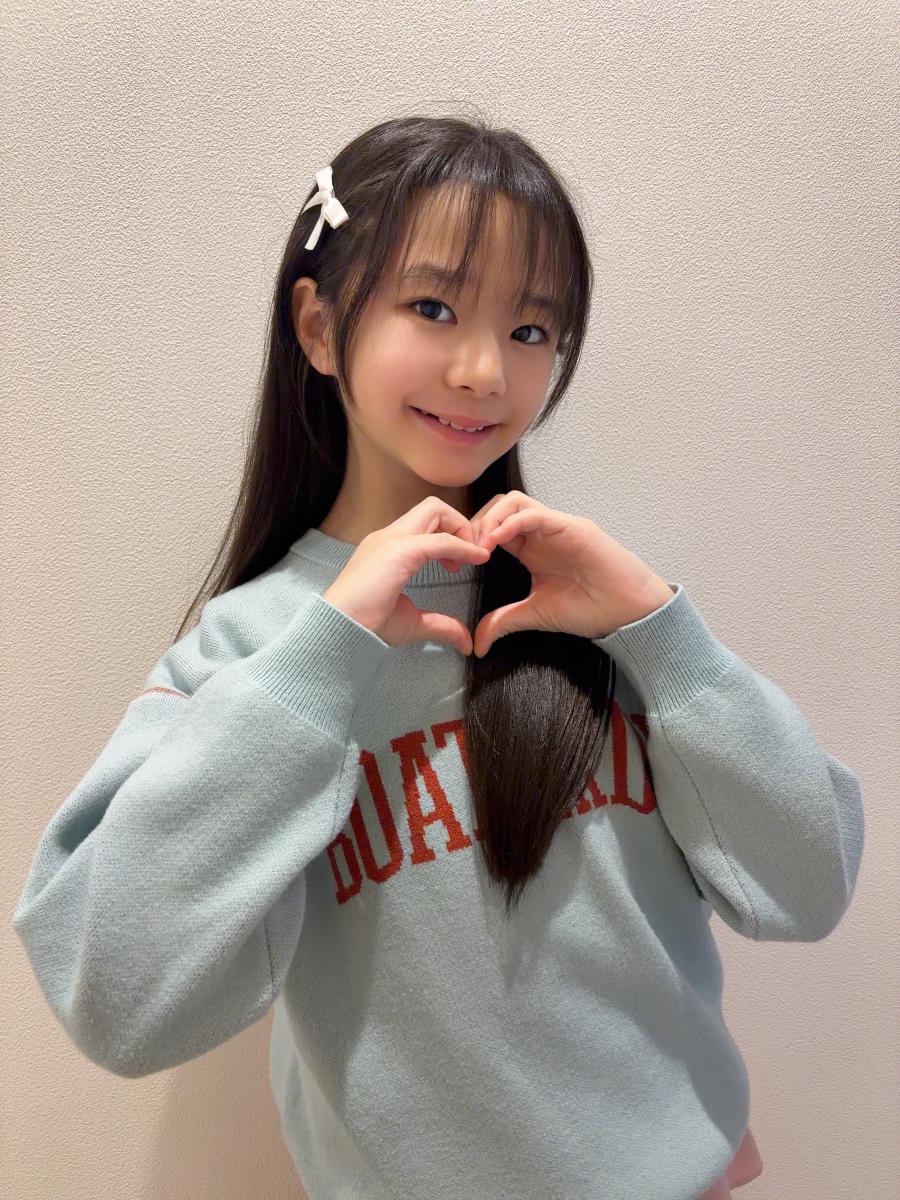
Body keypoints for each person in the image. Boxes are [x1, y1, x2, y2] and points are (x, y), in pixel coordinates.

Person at [11, 113, 863, 1200]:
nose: (482, 370)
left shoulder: (593, 603)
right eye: (433, 307)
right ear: (319, 327)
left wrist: (663, 634)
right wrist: (322, 662)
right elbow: (114, 999)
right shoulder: (250, 656)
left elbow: (809, 885)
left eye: (532, 328)